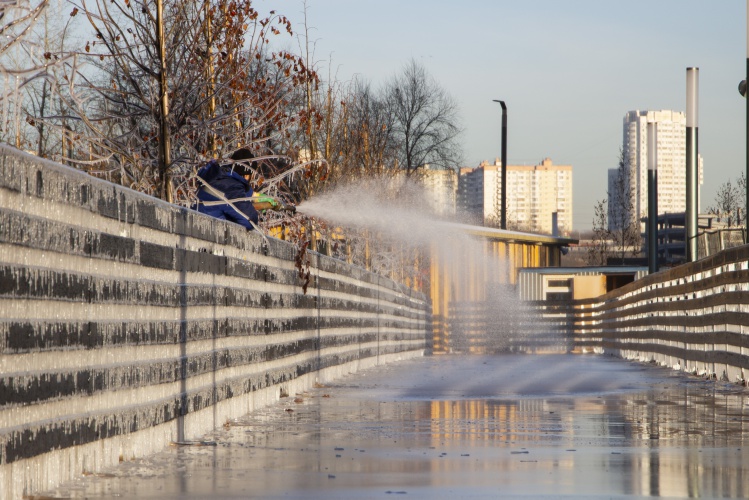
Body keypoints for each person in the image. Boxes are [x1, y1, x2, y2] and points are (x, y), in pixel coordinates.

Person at [194, 148, 259, 230]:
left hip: (198, 229)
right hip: (210, 235)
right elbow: (250, 221)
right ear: (247, 175)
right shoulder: (232, 187)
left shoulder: (216, 179)